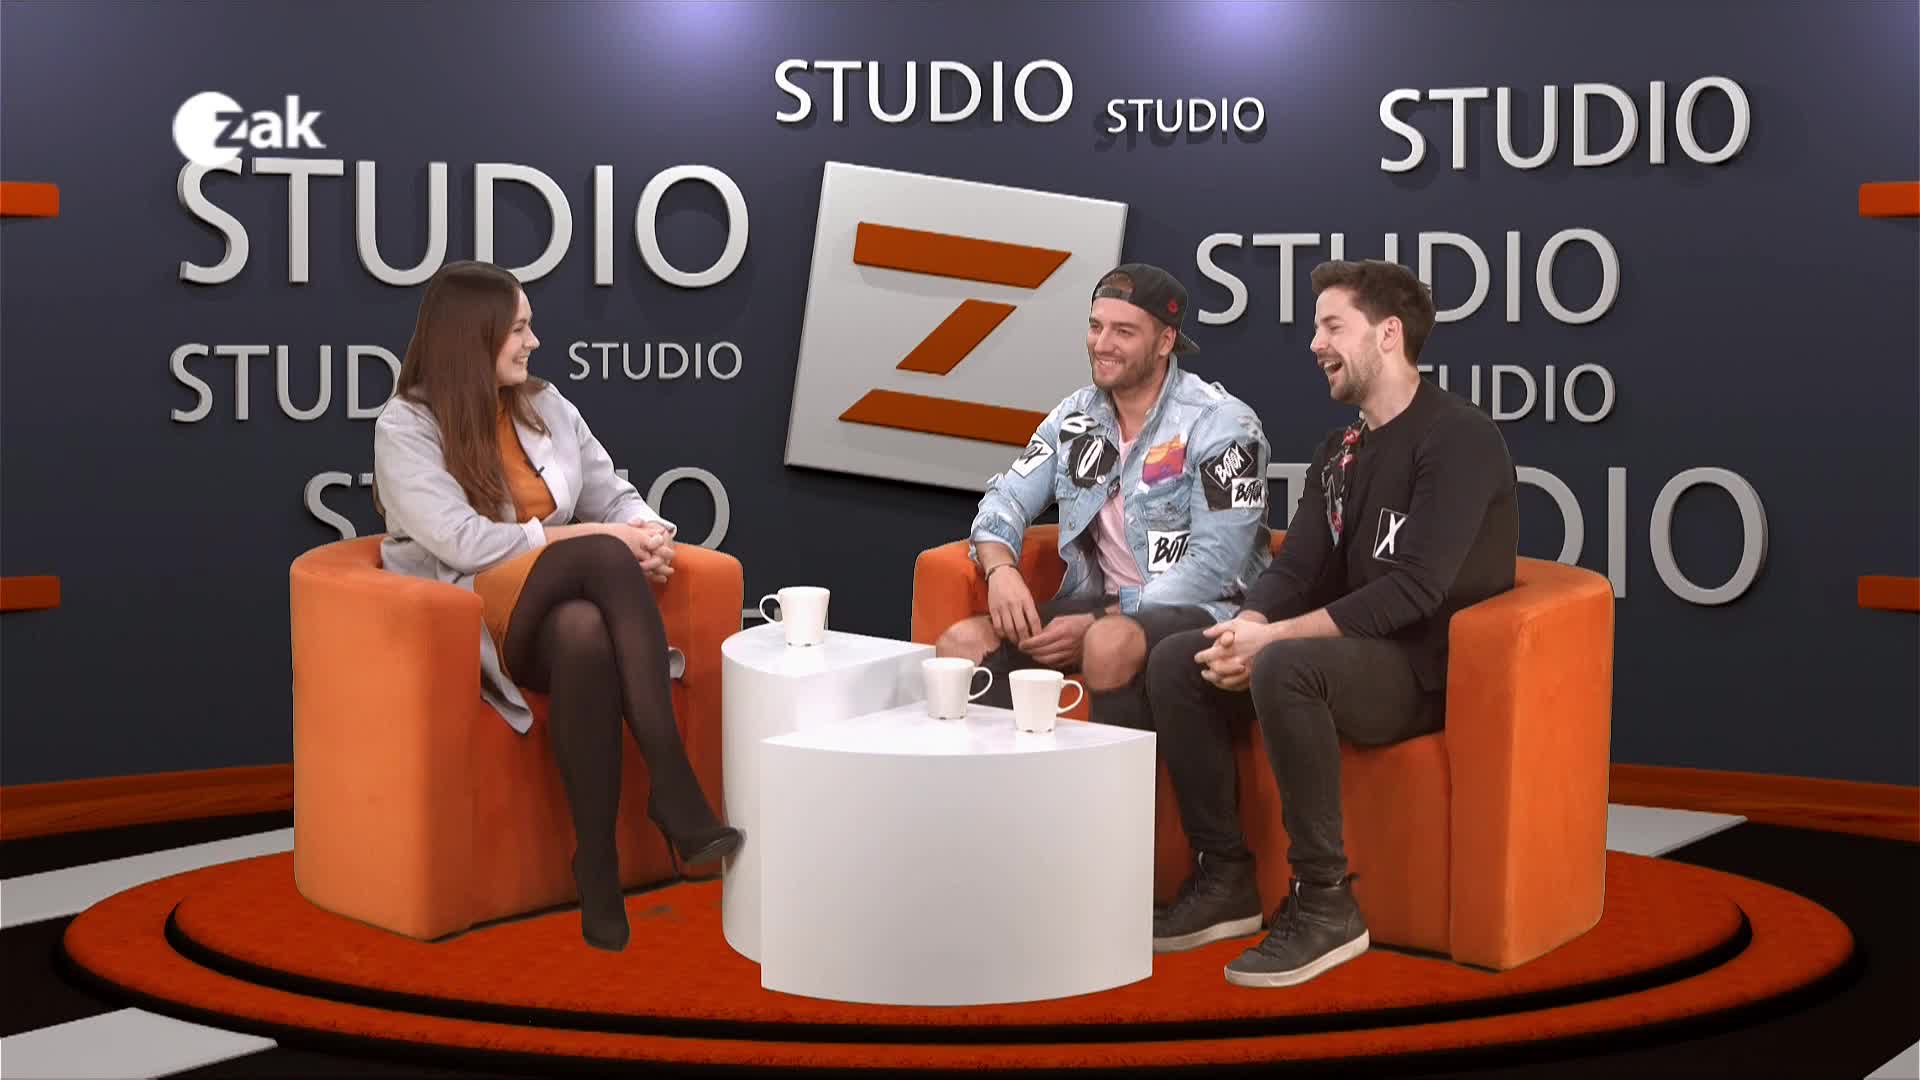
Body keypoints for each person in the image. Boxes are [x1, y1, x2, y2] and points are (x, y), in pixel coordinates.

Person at [1147, 259, 1518, 988]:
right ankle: (1225, 877)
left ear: (1388, 334)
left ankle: (1325, 903)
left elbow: (1415, 590)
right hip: (1347, 657)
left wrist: (1273, 641)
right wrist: (1247, 626)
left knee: (1287, 665)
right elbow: (1296, 569)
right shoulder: (1339, 450)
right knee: (1179, 660)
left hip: (1422, 670)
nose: (1315, 344)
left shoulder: (1459, 439)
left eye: (1331, 326)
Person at [372, 260, 740, 952]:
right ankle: (672, 784)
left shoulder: (545, 405)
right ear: (474, 334)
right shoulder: (407, 426)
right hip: (472, 612)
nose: (533, 342)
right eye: (518, 328)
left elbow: (612, 494)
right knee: (600, 555)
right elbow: (462, 541)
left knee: (584, 632)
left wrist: (648, 533)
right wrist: (594, 540)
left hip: (550, 618)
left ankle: (595, 867)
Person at [936, 263, 1273, 731]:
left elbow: (1215, 568)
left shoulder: (1222, 423)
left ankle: (1118, 778)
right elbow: (1005, 499)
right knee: (962, 644)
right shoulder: (1074, 417)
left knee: (1106, 642)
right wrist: (1001, 570)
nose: (1102, 343)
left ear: (1165, 341)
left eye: (1123, 332)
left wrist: (1100, 619)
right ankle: (1008, 774)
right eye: (1096, 326)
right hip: (1100, 604)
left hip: (1205, 611)